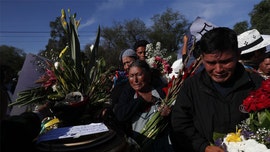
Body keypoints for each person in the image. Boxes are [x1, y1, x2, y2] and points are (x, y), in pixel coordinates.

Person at [171, 27, 264, 152]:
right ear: (202, 58)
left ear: (237, 55)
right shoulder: (191, 86)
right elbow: (180, 123)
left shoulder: (256, 84)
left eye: (225, 62)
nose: (218, 69)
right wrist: (203, 146)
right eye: (211, 63)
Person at [113, 60, 173, 152]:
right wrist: (142, 100)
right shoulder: (128, 95)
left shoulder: (162, 93)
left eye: (139, 75)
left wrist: (169, 114)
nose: (135, 80)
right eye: (131, 76)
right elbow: (120, 115)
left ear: (148, 76)